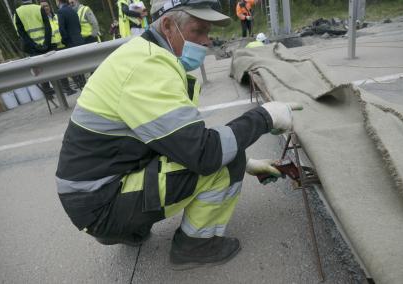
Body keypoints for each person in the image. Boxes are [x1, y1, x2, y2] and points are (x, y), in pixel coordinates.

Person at [55, 0, 301, 269]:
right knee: (226, 161)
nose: (206, 41)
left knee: (220, 150)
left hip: (93, 192)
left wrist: (250, 165)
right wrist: (266, 117)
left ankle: (125, 228)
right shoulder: (148, 68)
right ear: (169, 26)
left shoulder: (142, 54)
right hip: (100, 203)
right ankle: (196, 247)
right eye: (198, 31)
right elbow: (204, 154)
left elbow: (171, 142)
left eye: (208, 33)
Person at [13, 0, 55, 96]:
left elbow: (21, 32)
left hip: (33, 48)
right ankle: (60, 88)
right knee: (52, 68)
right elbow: (48, 26)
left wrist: (33, 45)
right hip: (46, 45)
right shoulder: (38, 8)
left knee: (39, 70)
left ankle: (48, 93)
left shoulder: (17, 12)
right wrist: (46, 43)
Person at [40, 0, 77, 95]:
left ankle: (79, 83)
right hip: (53, 47)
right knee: (60, 70)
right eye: (43, 7)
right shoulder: (42, 21)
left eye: (46, 6)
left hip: (64, 44)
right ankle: (67, 89)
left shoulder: (57, 16)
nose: (45, 8)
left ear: (50, 6)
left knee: (71, 66)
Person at [56, 0, 86, 89]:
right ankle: (83, 82)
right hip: (79, 39)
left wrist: (64, 40)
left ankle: (81, 83)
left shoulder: (61, 12)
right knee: (80, 64)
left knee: (75, 65)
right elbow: (78, 25)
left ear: (58, 2)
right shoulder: (73, 9)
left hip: (70, 42)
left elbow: (62, 29)